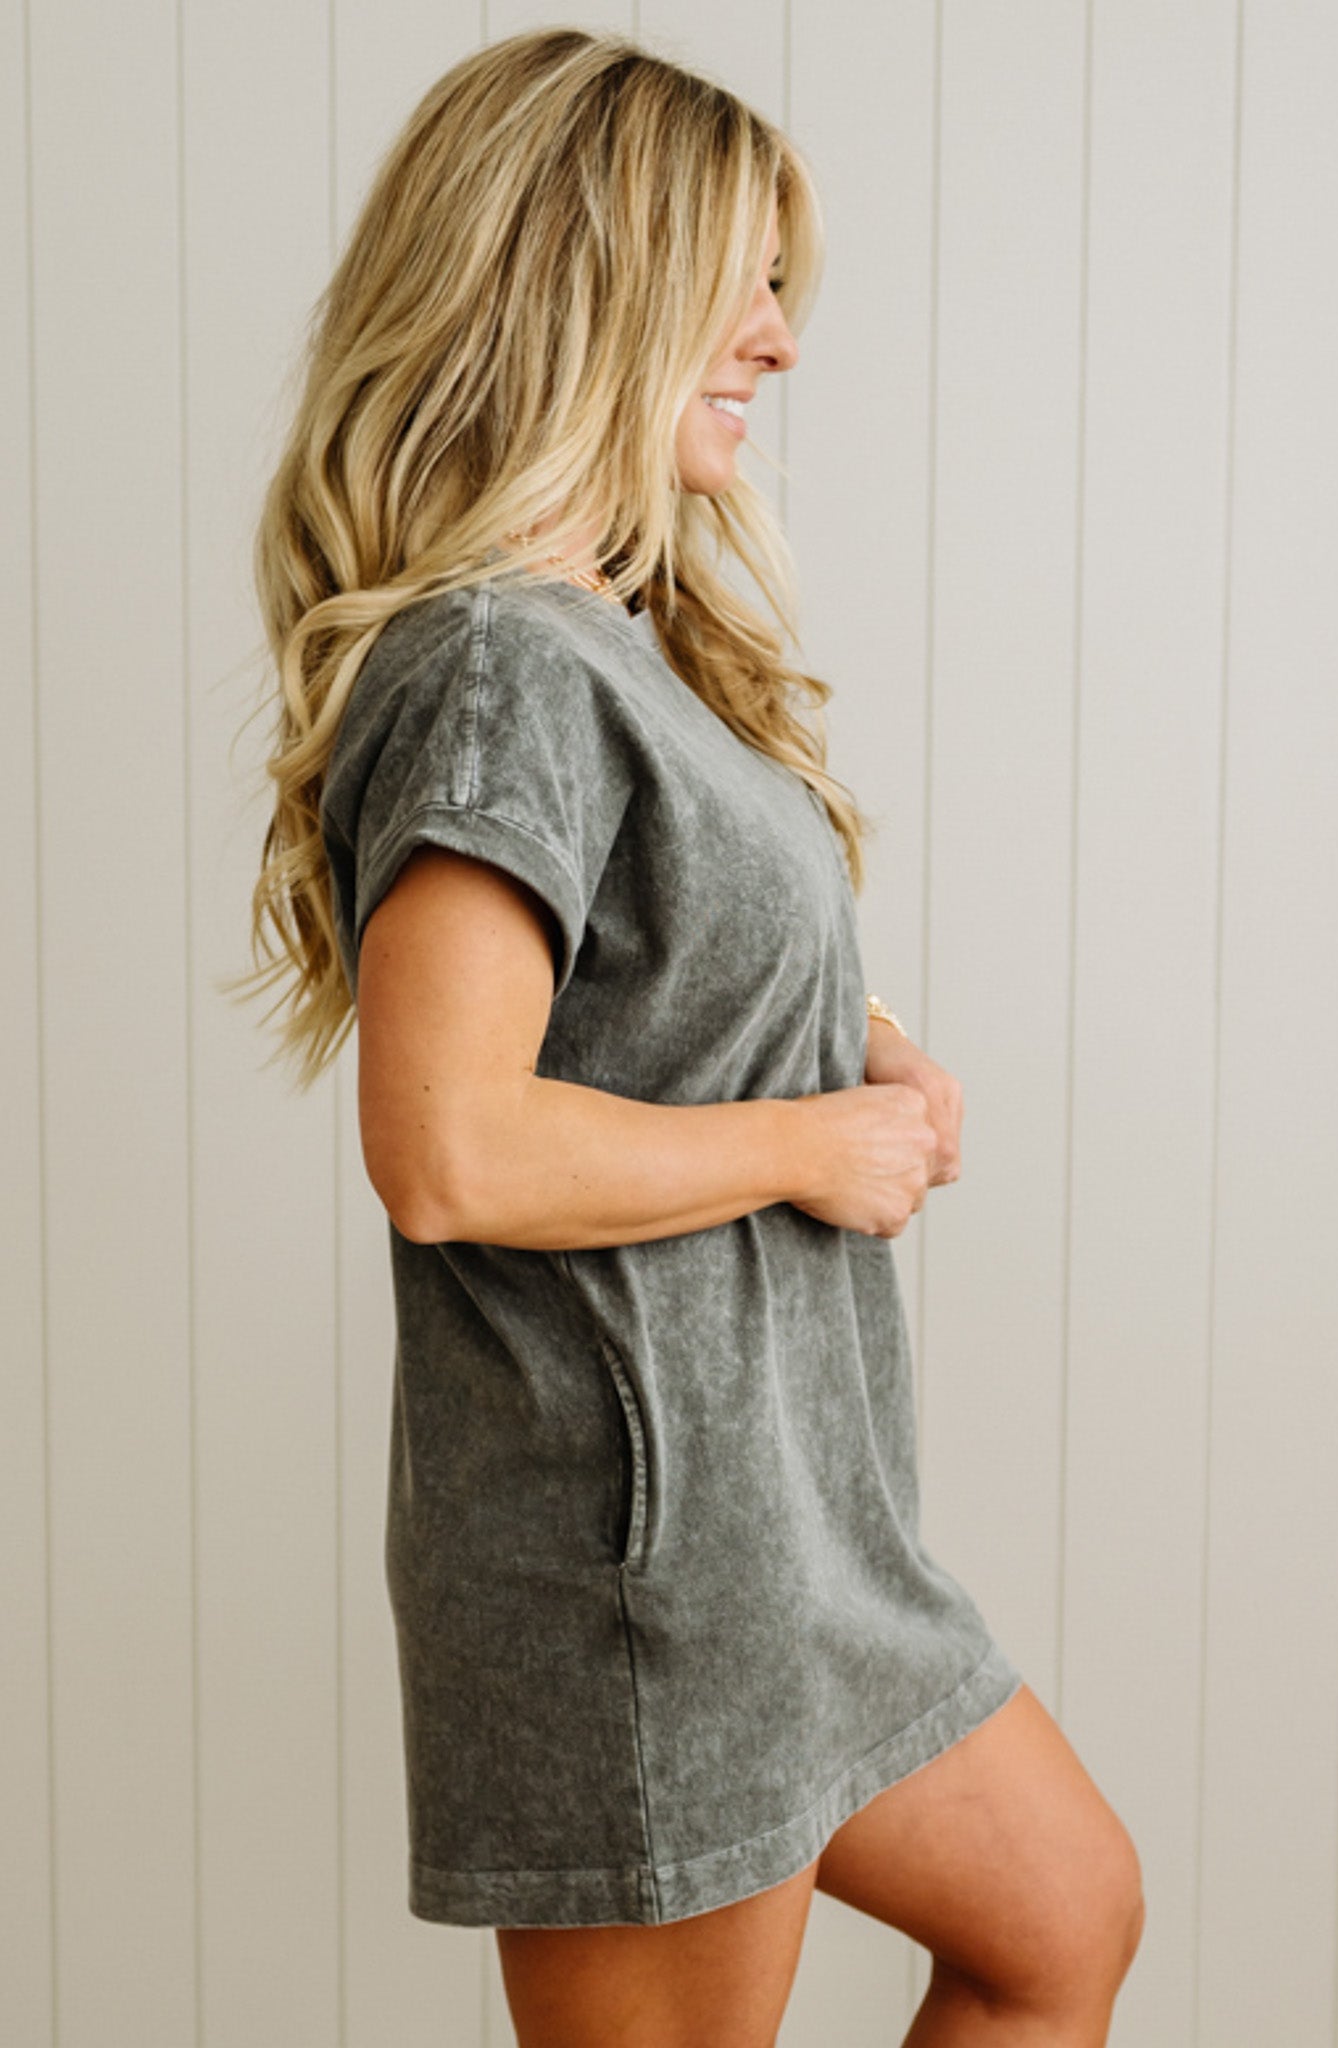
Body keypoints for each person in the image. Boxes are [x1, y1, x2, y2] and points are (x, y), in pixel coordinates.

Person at [240, 26, 1143, 2047]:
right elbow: (449, 1141)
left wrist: (870, 1049)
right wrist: (813, 1147)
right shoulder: (494, 658)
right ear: (586, 281)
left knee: (1056, 1917)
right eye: (738, 283)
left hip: (793, 1524)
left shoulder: (601, 643)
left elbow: (657, 976)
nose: (777, 340)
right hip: (642, 1559)